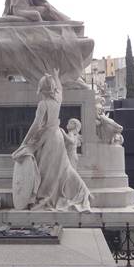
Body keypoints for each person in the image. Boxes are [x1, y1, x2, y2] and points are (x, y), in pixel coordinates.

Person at [12, 69, 91, 212]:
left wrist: (24, 141)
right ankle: (72, 191)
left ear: (41, 89)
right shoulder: (57, 100)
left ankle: (43, 196)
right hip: (58, 137)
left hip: (47, 139)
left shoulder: (43, 104)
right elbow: (60, 89)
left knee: (46, 170)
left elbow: (36, 125)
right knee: (58, 169)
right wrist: (55, 76)